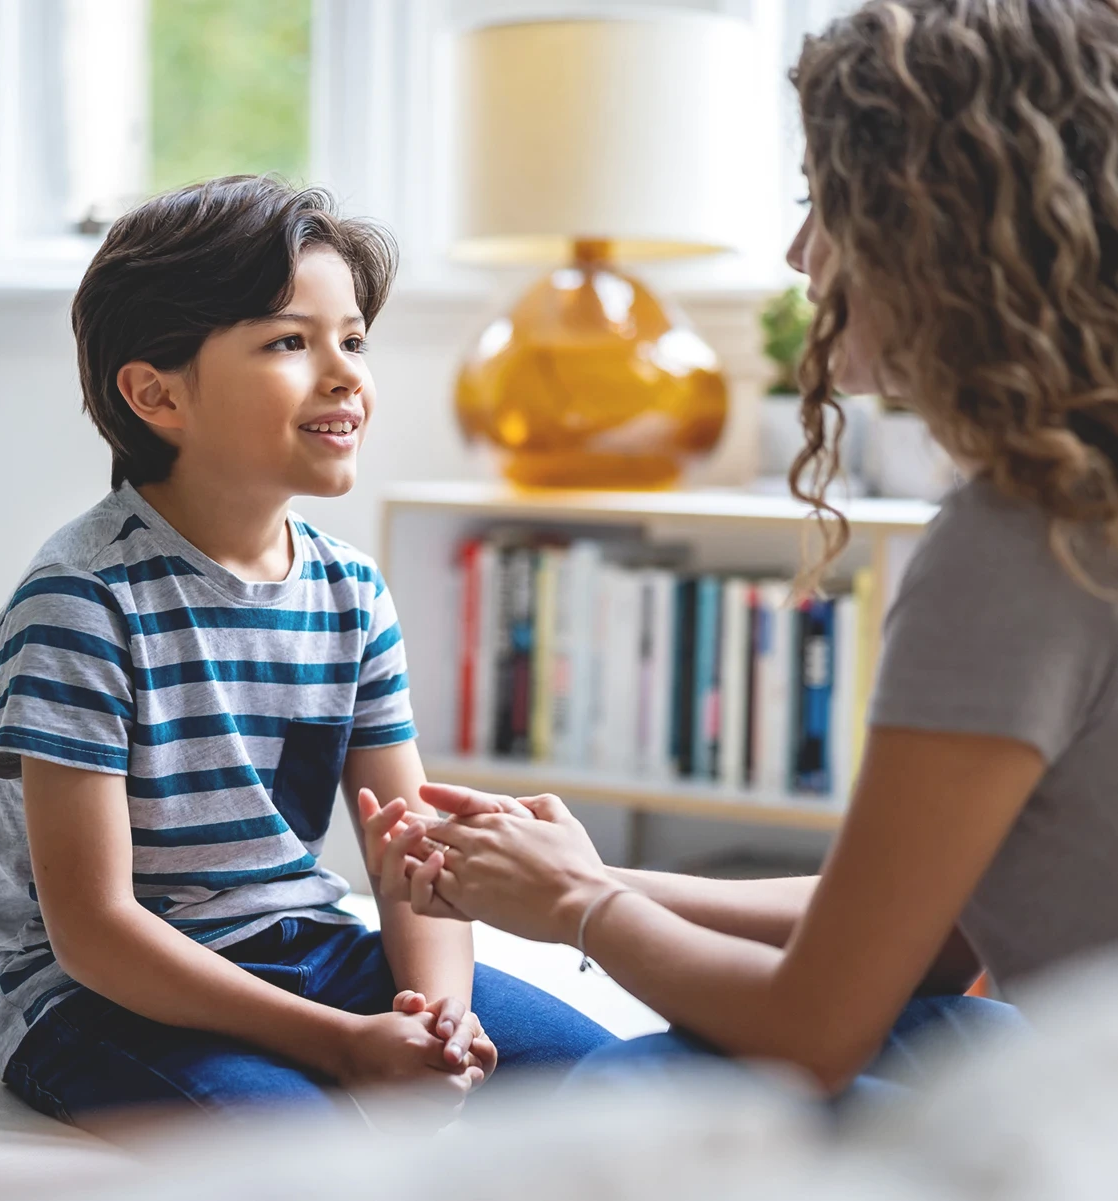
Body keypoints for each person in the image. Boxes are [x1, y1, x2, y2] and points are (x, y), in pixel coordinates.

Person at [364, 0, 1118, 1098]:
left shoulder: (1016, 542)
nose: (797, 253)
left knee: (627, 1090)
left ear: (931, 227)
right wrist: (580, 874)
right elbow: (933, 935)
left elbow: (815, 1026)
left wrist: (576, 908)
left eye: (826, 206)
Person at [0, 176, 613, 1130]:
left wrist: (441, 1018)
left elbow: (414, 858)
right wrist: (339, 1044)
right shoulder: (81, 602)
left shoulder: (349, 591)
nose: (345, 372)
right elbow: (96, 933)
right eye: (288, 341)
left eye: (352, 338)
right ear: (156, 393)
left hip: (310, 946)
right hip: (98, 997)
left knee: (618, 1084)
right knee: (310, 1149)